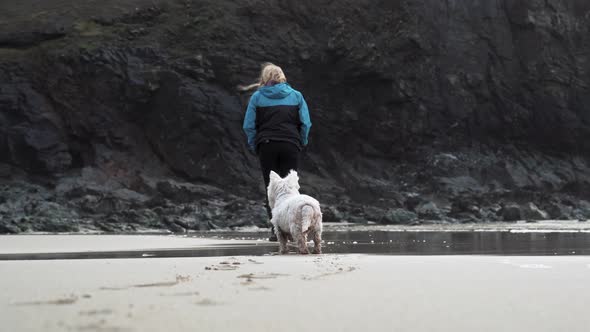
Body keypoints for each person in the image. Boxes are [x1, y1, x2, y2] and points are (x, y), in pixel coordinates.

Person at [241, 63, 312, 241]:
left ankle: (276, 230)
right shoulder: (296, 96)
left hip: (267, 145)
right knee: (291, 186)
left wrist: (254, 144)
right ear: (282, 77)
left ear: (265, 78)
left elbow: (248, 125)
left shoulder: (257, 97)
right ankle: (295, 227)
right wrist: (301, 141)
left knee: (272, 188)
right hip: (290, 144)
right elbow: (306, 123)